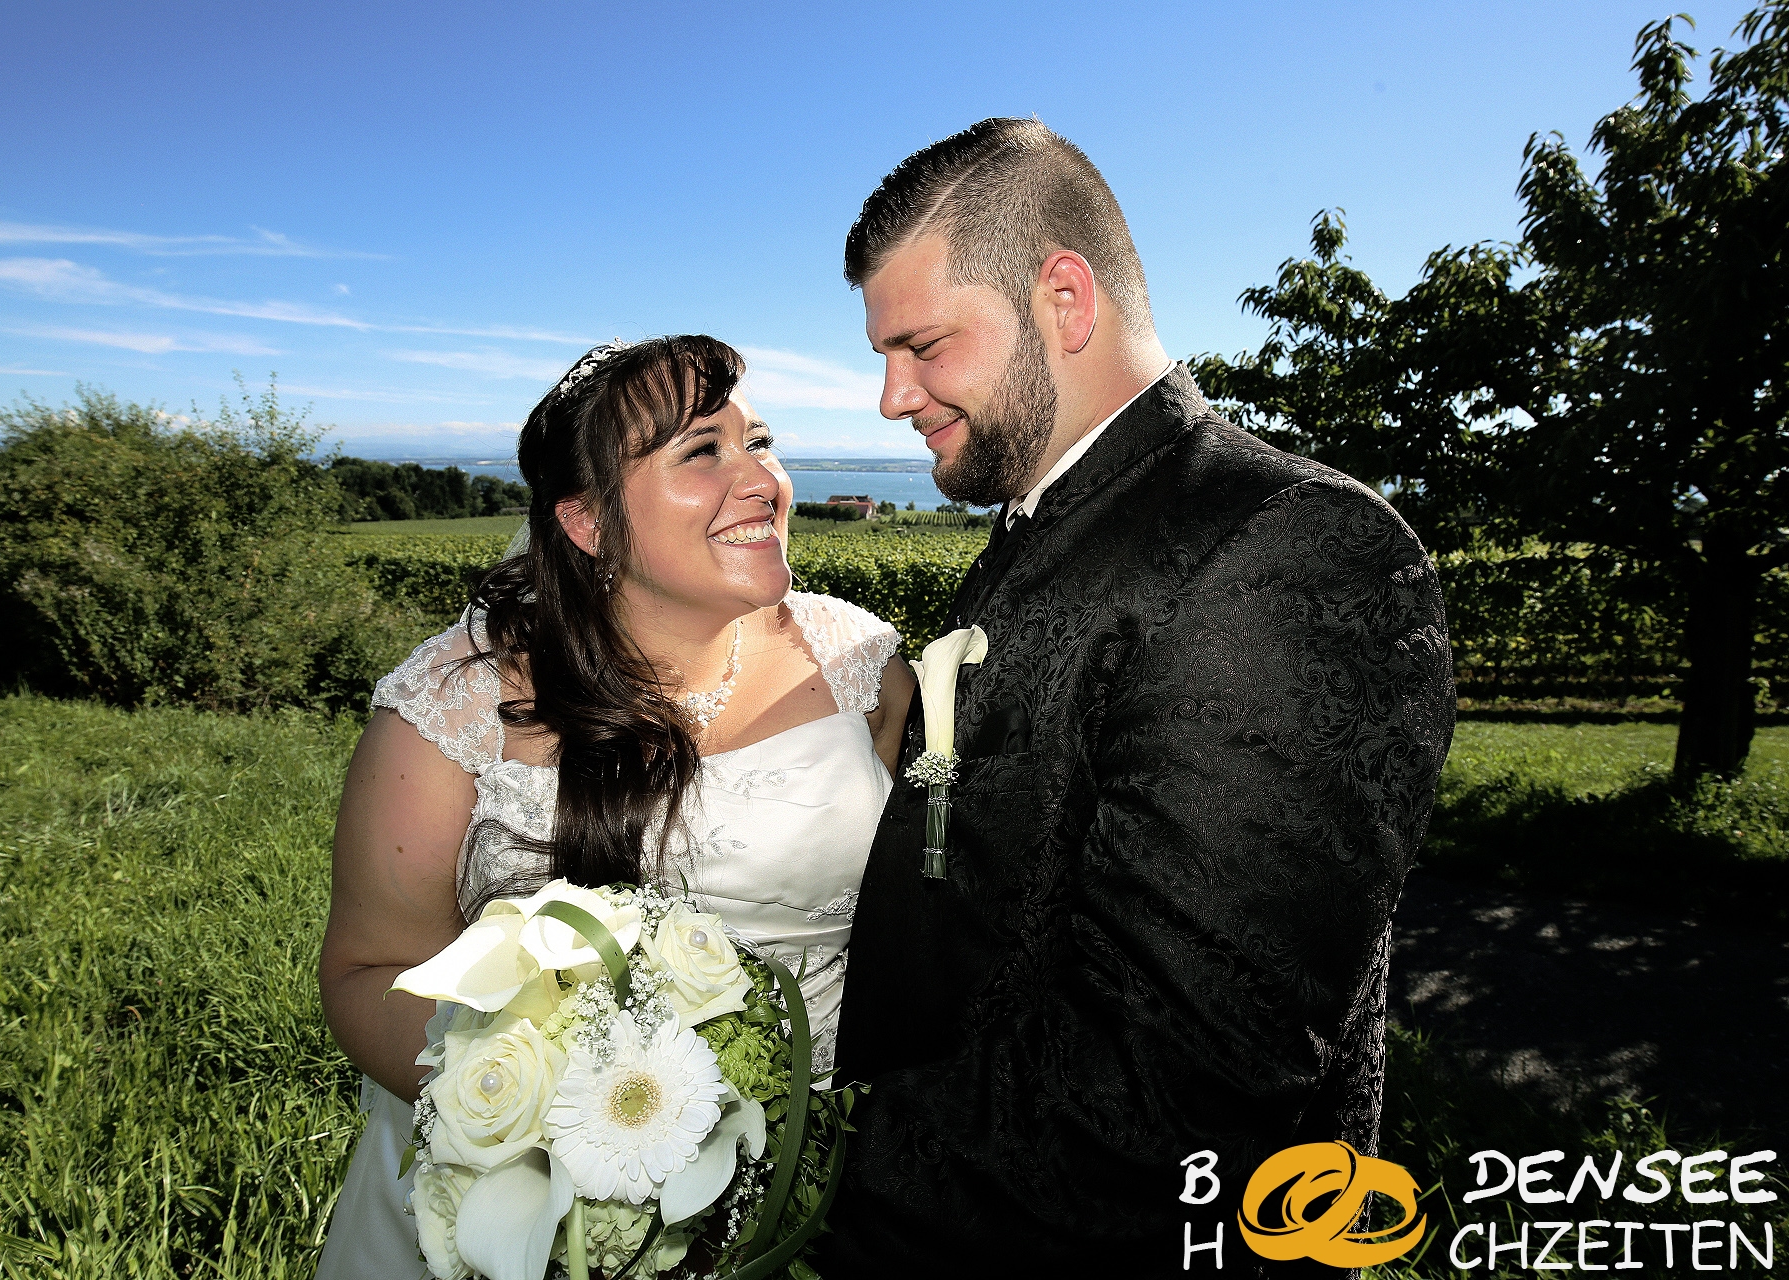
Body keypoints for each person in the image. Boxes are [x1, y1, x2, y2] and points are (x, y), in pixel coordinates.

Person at [818, 119, 1457, 1277]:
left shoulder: (1287, 547)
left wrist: (819, 1181)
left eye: (920, 346)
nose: (888, 397)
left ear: (1064, 297)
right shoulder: (1039, 524)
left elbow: (1178, 1091)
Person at [313, 335, 914, 1278]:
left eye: (759, 441)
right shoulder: (455, 708)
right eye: (702, 451)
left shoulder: (863, 668)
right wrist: (557, 1134)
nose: (761, 480)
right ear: (588, 523)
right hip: (516, 1216)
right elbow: (367, 969)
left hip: (815, 1202)